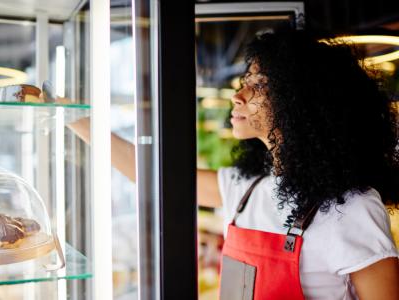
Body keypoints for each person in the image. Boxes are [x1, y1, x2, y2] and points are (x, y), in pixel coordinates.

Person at [69, 29, 399, 299]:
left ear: (300, 101)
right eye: (244, 81)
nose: (236, 95)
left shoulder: (353, 208)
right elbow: (152, 176)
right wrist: (73, 119)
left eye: (257, 85)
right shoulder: (247, 188)